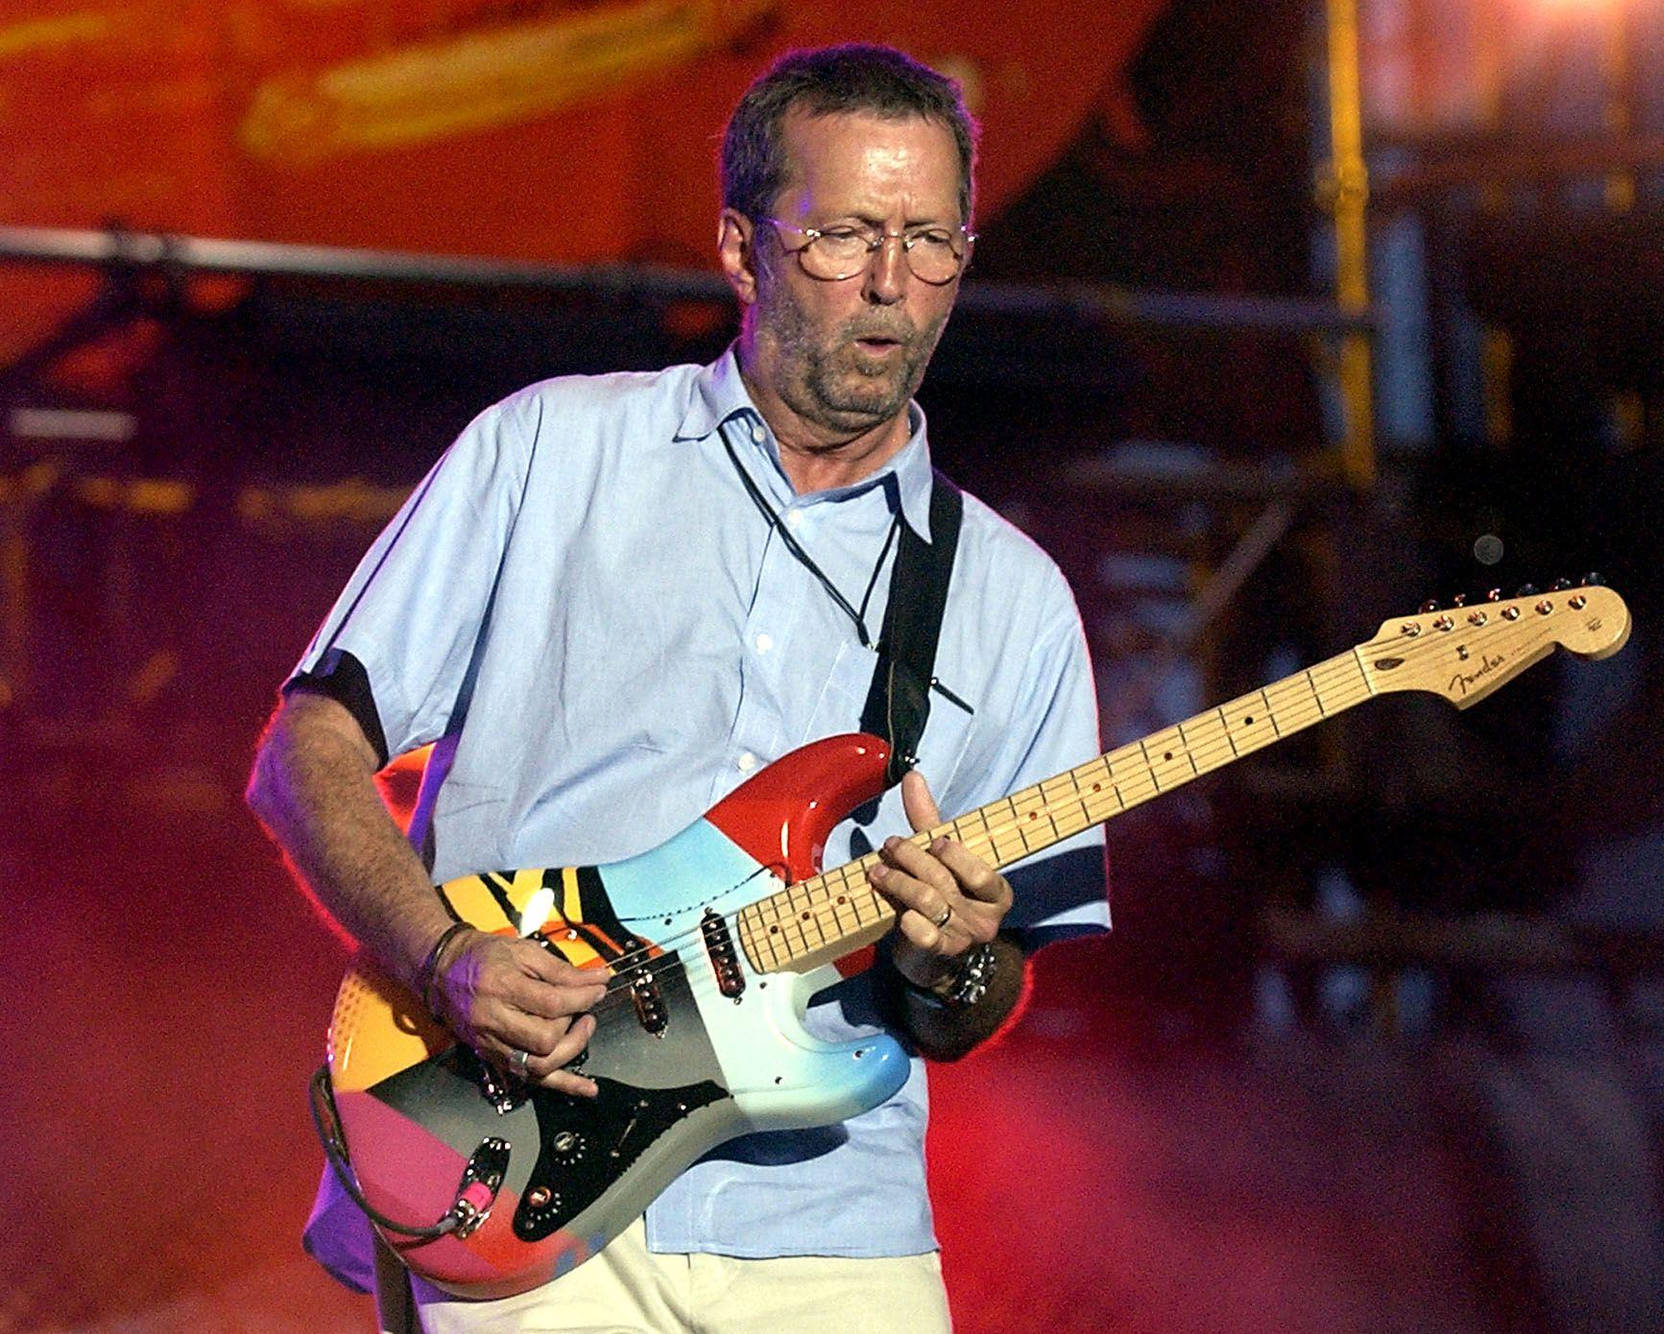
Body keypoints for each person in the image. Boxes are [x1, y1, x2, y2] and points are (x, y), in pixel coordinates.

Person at [248, 43, 1107, 1333]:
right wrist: (444, 958)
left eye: (931, 240)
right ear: (740, 248)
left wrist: (954, 964)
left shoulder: (1013, 595)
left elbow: (976, 1002)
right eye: (846, 237)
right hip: (521, 1182)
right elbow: (303, 749)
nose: (891, 286)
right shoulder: (549, 450)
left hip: (833, 1228)